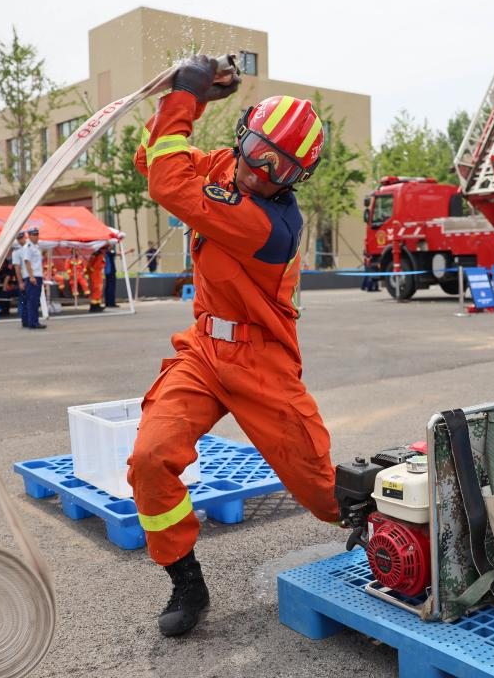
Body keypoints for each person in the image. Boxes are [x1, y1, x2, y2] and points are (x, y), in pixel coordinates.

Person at [126, 55, 339, 638]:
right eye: (258, 151)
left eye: (280, 168)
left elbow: (167, 181)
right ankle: (185, 580)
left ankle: (401, 529)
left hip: (261, 361)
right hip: (203, 350)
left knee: (324, 493)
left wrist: (187, 98)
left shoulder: (271, 224)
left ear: (295, 180)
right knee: (151, 457)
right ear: (243, 136)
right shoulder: (224, 166)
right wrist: (188, 104)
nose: (260, 171)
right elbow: (152, 160)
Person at [21, 227, 46, 329]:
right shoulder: (28, 246)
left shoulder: (35, 247)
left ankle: (29, 321)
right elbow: (27, 262)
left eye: (37, 235)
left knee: (33, 300)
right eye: (34, 235)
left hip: (37, 275)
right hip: (33, 276)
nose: (36, 237)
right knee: (33, 300)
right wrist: (31, 276)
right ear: (29, 235)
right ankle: (33, 322)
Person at [11, 232, 28, 325]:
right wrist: (20, 282)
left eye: (23, 238)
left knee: (30, 300)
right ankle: (24, 320)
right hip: (23, 278)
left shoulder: (29, 249)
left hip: (29, 277)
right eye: (19, 238)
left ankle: (29, 319)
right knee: (24, 300)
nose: (22, 240)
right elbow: (17, 269)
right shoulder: (16, 252)